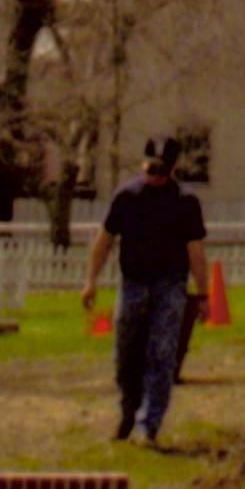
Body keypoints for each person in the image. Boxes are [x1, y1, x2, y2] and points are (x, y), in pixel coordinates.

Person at [80, 137, 208, 449]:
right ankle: (127, 412)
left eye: (161, 172)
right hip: (133, 282)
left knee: (161, 355)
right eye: (151, 169)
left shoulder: (185, 202)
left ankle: (147, 426)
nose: (154, 177)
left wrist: (203, 294)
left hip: (170, 286)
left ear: (173, 170)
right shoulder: (126, 197)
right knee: (126, 354)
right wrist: (90, 281)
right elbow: (105, 239)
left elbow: (196, 250)